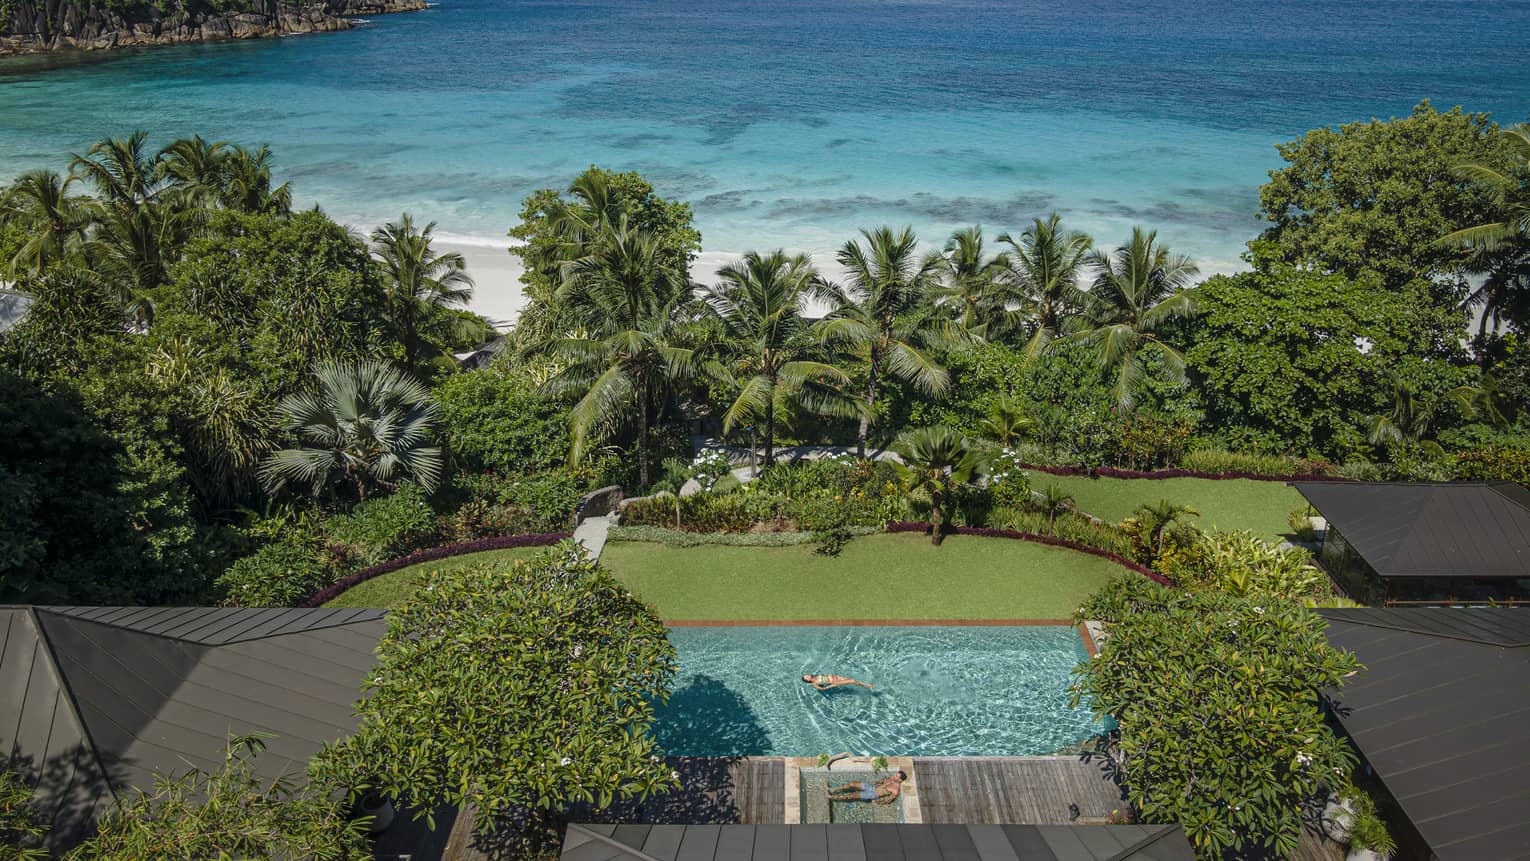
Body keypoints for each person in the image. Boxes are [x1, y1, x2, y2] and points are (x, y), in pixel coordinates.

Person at [827, 771, 906, 805]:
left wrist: (878, 802)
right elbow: (883, 781)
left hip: (873, 794)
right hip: (872, 786)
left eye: (896, 776)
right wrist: (876, 782)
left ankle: (832, 797)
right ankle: (833, 789)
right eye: (896, 774)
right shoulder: (892, 778)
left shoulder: (896, 790)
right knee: (852, 783)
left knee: (852, 795)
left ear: (900, 780)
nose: (894, 775)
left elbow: (889, 800)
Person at [801, 673, 873, 691]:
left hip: (836, 677)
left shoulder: (815, 676)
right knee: (852, 681)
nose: (807, 676)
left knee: (852, 680)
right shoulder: (814, 683)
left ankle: (864, 686)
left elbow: (825, 676)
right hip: (834, 682)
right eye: (806, 677)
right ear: (807, 681)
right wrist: (832, 686)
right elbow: (822, 689)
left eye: (806, 675)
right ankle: (867, 686)